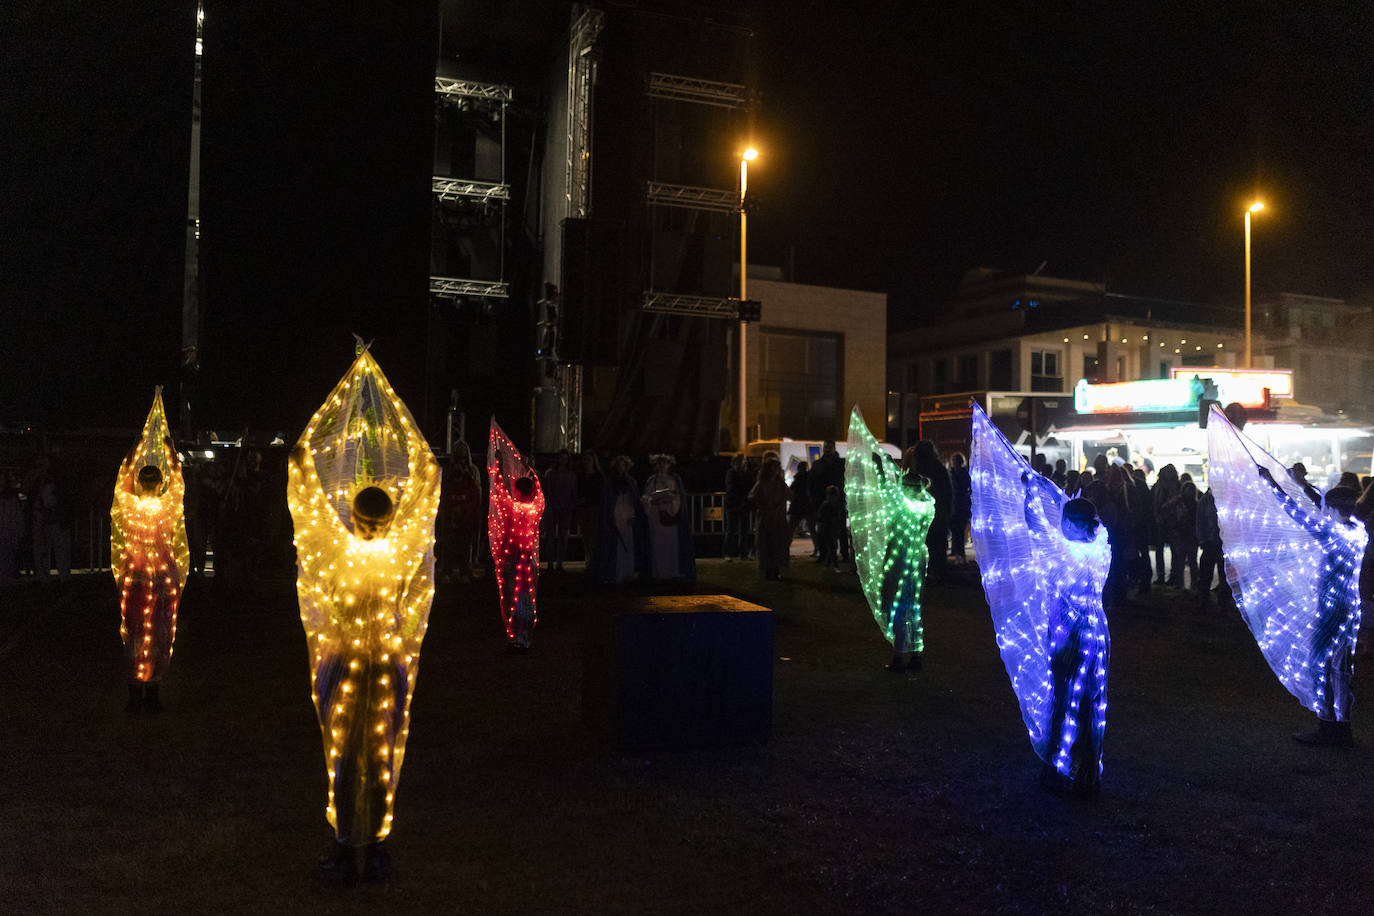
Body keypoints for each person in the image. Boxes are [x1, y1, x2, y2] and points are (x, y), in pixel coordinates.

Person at [288, 347, 441, 884]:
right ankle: (367, 846)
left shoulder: (340, 551)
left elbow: (305, 472)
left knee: (357, 757)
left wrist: (356, 390)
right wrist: (372, 387)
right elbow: (426, 474)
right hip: (376, 668)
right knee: (371, 757)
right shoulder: (399, 551)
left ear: (352, 516)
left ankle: (354, 845)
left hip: (352, 666)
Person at [1206, 404, 1366, 747]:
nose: (1323, 512)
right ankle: (1343, 726)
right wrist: (1303, 484)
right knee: (1341, 668)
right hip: (1350, 610)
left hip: (1332, 608)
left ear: (1335, 512)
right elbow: (1315, 505)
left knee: (1320, 665)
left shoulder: (1334, 536)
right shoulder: (1357, 533)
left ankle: (1328, 726)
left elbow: (1301, 515)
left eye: (1328, 509)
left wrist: (1274, 487)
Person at [971, 404, 1110, 796]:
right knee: (1092, 705)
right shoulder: (1102, 550)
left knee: (1066, 701)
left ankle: (1059, 767)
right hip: (1097, 638)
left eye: (1069, 521)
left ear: (1077, 526)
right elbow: (1079, 529)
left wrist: (1031, 489)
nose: (1063, 525)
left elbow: (1038, 528)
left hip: (1071, 637)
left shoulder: (1067, 553)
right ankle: (1088, 772)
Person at [111, 392, 190, 712]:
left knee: (134, 634)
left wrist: (132, 454)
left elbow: (121, 485)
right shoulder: (167, 508)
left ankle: (135, 694)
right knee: (159, 633)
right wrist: (171, 452)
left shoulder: (128, 506)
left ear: (138, 483)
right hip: (162, 579)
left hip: (135, 578)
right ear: (160, 484)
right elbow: (180, 484)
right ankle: (153, 692)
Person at [846, 407, 935, 671]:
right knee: (913, 604)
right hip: (918, 556)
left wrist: (876, 462)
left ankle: (899, 655)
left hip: (899, 556)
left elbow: (886, 487)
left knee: (895, 603)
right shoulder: (928, 502)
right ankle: (915, 654)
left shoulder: (900, 501)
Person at [488, 420, 545, 651]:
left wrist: (500, 467)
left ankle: (517, 636)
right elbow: (539, 492)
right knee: (520, 597)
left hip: (514, 559)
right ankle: (521, 636)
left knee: (513, 596)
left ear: (519, 492)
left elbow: (500, 489)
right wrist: (530, 471)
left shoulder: (514, 508)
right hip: (523, 560)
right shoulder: (533, 510)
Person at [593, 456, 648, 583]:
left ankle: (628, 572)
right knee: (616, 545)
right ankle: (616, 573)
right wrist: (610, 516)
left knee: (628, 544)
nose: (621, 468)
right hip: (616, 514)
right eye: (619, 465)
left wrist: (634, 516)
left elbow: (634, 500)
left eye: (623, 465)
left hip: (628, 515)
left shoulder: (631, 482)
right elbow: (608, 502)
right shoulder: (610, 483)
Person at [642, 454, 695, 581]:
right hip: (655, 515)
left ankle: (671, 571)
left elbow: (678, 497)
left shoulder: (674, 479)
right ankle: (658, 572)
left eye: (665, 463)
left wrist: (672, 502)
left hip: (670, 515)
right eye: (660, 463)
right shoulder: (652, 480)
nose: (662, 466)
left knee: (671, 544)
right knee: (657, 544)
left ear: (669, 465)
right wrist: (651, 500)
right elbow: (646, 497)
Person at [440, 440, 483, 582]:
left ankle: (465, 569)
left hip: (467, 513)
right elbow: (443, 491)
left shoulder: (472, 471)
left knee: (465, 543)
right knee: (449, 543)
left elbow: (476, 492)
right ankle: (447, 570)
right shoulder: (448, 471)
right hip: (450, 512)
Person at [911, 440, 952, 585]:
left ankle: (929, 572)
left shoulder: (919, 470)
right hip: (937, 513)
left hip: (925, 514)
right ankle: (937, 571)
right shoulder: (939, 469)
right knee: (937, 545)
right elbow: (948, 493)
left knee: (927, 544)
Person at [750, 456, 792, 580]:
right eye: (773, 468)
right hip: (766, 519)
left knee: (777, 544)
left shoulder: (780, 484)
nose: (775, 471)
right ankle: (769, 569)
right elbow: (752, 497)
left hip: (778, 519)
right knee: (767, 544)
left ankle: (776, 569)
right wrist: (764, 506)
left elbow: (790, 495)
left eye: (776, 468)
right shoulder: (762, 484)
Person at [810, 440, 848, 563]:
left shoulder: (841, 464)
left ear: (834, 448)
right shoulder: (817, 465)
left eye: (829, 447)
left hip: (838, 501)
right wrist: (814, 498)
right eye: (826, 447)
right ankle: (824, 554)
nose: (827, 449)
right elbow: (812, 482)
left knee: (841, 529)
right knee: (822, 530)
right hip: (822, 500)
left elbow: (845, 481)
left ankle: (844, 554)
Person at [540, 449, 577, 572]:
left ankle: (559, 562)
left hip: (565, 508)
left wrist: (569, 505)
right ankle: (551, 562)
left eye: (565, 458)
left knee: (563, 537)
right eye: (561, 458)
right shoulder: (550, 473)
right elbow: (548, 491)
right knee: (551, 536)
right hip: (553, 507)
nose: (563, 461)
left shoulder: (571, 475)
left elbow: (573, 493)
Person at [1150, 464, 1180, 585]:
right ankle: (1164, 576)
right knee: (1163, 549)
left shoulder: (1159, 486)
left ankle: (1169, 576)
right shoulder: (1172, 486)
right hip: (1163, 521)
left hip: (1170, 522)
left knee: (1169, 549)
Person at [574, 452, 603, 568]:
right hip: (583, 509)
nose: (587, 462)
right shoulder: (580, 476)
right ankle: (588, 559)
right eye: (585, 460)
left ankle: (593, 560)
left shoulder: (598, 477)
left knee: (593, 535)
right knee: (586, 536)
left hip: (594, 509)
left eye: (589, 460)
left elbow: (598, 494)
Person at [722, 454, 754, 561]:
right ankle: (728, 553)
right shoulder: (731, 473)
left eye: (744, 461)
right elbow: (732, 488)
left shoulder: (745, 474)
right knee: (731, 530)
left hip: (742, 505)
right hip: (733, 505)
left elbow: (751, 487)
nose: (743, 463)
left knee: (743, 531)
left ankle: (742, 553)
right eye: (741, 461)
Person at [0, 470, 23, 586]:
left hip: (8, 534)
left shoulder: (11, 499)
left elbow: (16, 518)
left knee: (8, 560)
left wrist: (17, 533)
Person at [948, 452, 972, 560]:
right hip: (960, 504)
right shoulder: (964, 474)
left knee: (958, 529)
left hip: (957, 504)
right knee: (957, 529)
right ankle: (957, 551)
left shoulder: (953, 474)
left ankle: (958, 551)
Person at [788, 461, 812, 539]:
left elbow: (791, 490)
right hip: (806, 504)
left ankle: (786, 547)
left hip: (798, 504)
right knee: (811, 528)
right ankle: (817, 547)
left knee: (791, 527)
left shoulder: (797, 478)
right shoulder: (807, 478)